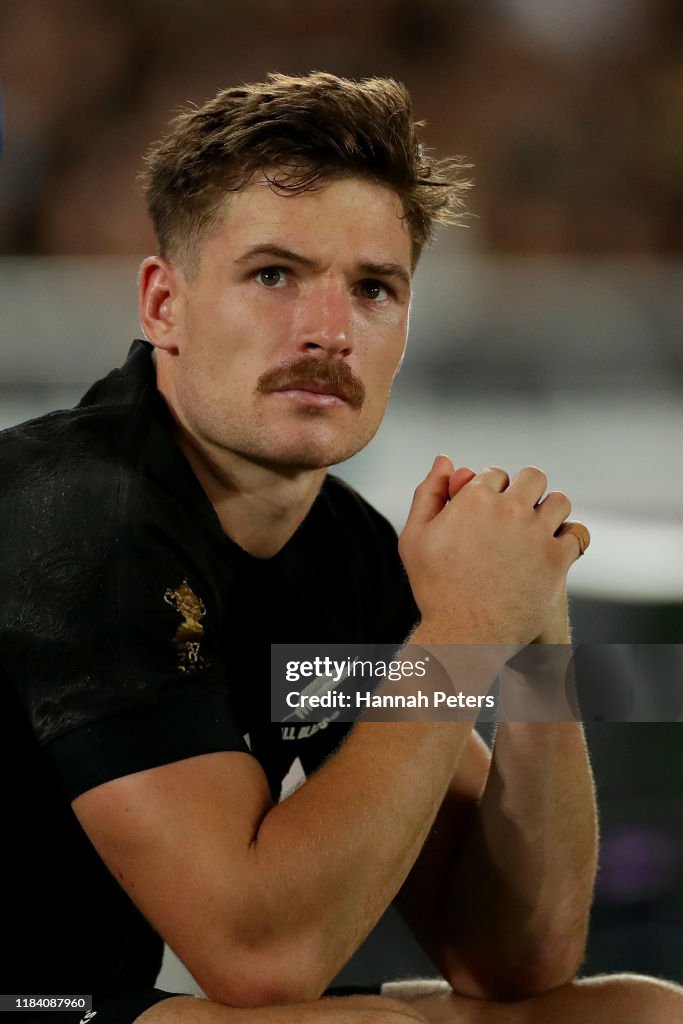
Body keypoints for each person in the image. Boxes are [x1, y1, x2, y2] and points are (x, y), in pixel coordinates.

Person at [1, 72, 681, 1024]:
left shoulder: (338, 550)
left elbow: (513, 958)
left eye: (372, 289)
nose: (328, 332)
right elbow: (259, 958)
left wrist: (532, 629)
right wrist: (461, 629)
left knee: (634, 1013)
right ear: (163, 305)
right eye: (272, 275)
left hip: (84, 999)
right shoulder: (79, 522)